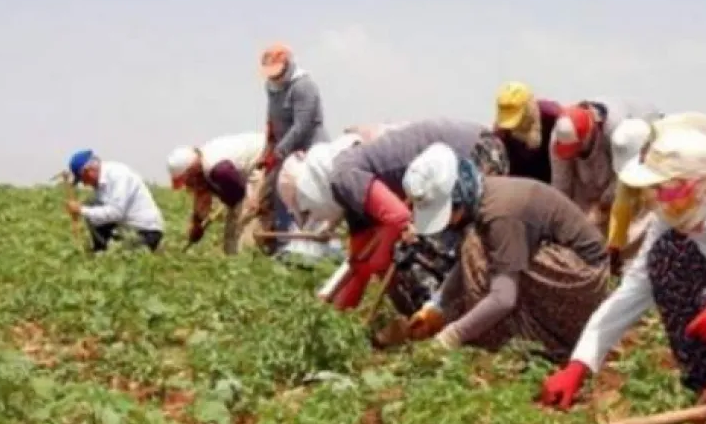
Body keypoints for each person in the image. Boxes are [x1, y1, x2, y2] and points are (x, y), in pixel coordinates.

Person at [540, 126, 706, 409]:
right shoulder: (670, 219)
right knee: (665, 256)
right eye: (652, 190)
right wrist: (579, 364)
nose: (656, 200)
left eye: (666, 189)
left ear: (701, 185)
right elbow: (633, 290)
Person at [396, 142, 611, 361]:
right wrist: (436, 307)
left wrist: (452, 335)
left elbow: (504, 298)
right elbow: (464, 266)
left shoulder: (500, 216)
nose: (447, 223)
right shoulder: (484, 196)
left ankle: (545, 341)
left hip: (585, 279)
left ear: (458, 199)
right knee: (477, 251)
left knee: (482, 260)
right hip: (569, 272)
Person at [295, 119, 510, 312]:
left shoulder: (344, 176)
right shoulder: (352, 197)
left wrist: (403, 239)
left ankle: (455, 315)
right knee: (406, 256)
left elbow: (399, 219)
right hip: (459, 158)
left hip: (475, 156)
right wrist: (333, 316)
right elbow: (360, 263)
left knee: (428, 254)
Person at [606, 112, 706, 272]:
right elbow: (622, 203)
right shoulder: (652, 148)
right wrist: (614, 245)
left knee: (703, 203)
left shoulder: (671, 150)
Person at [256, 43, 331, 257]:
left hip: (309, 149)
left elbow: (303, 125)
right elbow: (271, 121)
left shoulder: (303, 86)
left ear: (287, 64)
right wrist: (268, 149)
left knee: (309, 197)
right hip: (284, 151)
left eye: (277, 71)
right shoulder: (271, 87)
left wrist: (280, 150)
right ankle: (284, 246)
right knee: (281, 198)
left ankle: (315, 250)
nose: (274, 77)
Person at [550, 98, 663, 229]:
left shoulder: (618, 131)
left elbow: (623, 173)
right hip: (585, 188)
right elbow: (560, 182)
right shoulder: (558, 137)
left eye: (576, 147)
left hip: (619, 181)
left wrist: (603, 205)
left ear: (588, 134)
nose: (573, 152)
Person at [166, 132, 276, 256]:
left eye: (186, 181)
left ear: (192, 170)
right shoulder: (203, 167)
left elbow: (238, 196)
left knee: (246, 216)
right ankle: (233, 256)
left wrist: (231, 204)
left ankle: (248, 255)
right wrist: (197, 222)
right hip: (245, 173)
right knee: (233, 227)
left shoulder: (219, 170)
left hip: (263, 159)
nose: (187, 185)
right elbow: (202, 196)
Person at [65, 149, 164, 253]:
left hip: (146, 231)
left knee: (123, 257)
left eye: (83, 179)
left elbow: (116, 213)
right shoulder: (100, 184)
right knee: (92, 204)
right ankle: (101, 251)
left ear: (88, 171)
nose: (85, 184)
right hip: (126, 230)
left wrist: (82, 210)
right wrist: (83, 210)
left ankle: (149, 247)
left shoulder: (118, 175)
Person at [492, 81, 563, 183]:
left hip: (555, 178)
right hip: (519, 184)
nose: (515, 126)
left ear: (529, 109)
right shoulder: (501, 131)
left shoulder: (553, 117)